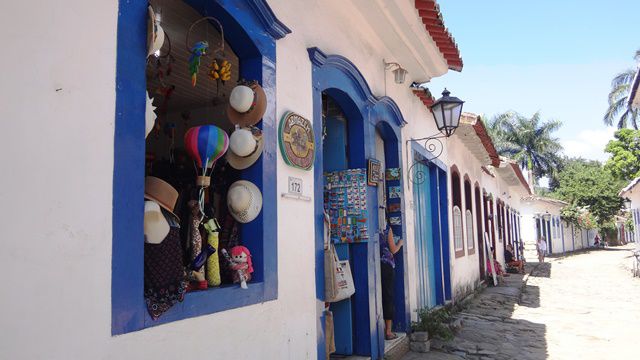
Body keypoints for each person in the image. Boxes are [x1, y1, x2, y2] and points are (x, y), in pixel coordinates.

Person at [380, 223, 404, 340]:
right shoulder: (386, 228)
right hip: (387, 266)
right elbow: (393, 250)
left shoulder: (370, 225)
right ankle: (388, 331)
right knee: (388, 297)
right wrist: (400, 243)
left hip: (374, 265)